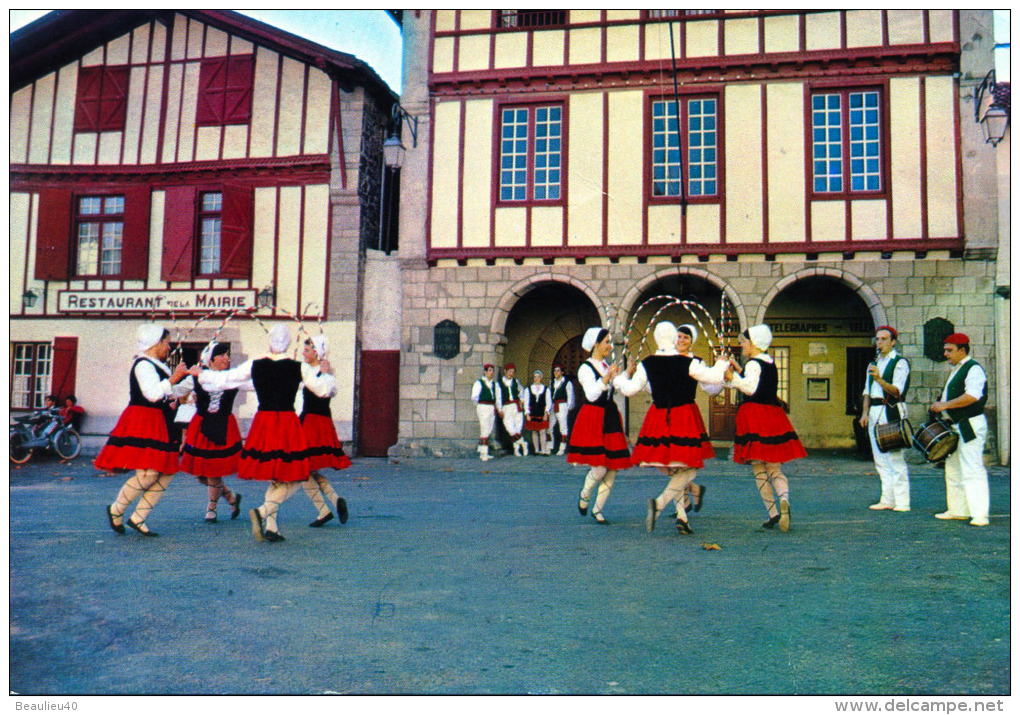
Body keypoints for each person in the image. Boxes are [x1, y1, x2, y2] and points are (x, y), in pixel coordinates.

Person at [615, 322, 727, 535]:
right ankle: (660, 504)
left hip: (659, 416)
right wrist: (721, 364)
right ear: (673, 338)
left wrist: (622, 376)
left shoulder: (647, 363)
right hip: (683, 416)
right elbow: (712, 378)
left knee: (675, 466)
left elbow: (629, 390)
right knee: (688, 467)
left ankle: (682, 517)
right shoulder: (689, 363)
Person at [234, 325, 335, 542]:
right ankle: (262, 511)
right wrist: (326, 375)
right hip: (287, 423)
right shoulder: (298, 367)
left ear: (270, 341)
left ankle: (272, 528)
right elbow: (325, 390)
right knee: (296, 475)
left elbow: (230, 380)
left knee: (276, 477)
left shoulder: (256, 364)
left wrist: (203, 375)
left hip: (264, 422)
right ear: (289, 343)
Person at [97, 325, 195, 537]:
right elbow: (152, 394)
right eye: (166, 343)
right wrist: (173, 379)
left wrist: (190, 379)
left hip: (161, 421)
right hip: (144, 420)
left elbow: (171, 392)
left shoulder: (159, 366)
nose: (168, 348)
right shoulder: (142, 365)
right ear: (156, 343)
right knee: (149, 472)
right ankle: (116, 509)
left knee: (167, 472)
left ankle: (138, 517)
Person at [724, 324, 807, 532]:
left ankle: (772, 513)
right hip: (772, 415)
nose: (741, 345)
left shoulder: (753, 364)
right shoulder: (769, 362)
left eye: (744, 341)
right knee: (775, 468)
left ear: (754, 343)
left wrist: (732, 378)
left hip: (754, 416)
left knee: (759, 468)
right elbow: (759, 383)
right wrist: (739, 370)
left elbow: (751, 389)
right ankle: (784, 499)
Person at [566, 327, 631, 524]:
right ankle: (585, 493)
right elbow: (592, 394)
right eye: (607, 342)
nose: (610, 346)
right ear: (596, 343)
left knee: (612, 468)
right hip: (594, 417)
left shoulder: (605, 364)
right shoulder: (585, 368)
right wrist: (606, 377)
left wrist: (628, 372)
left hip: (610, 416)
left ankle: (598, 509)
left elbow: (617, 386)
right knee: (600, 468)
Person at [179, 342, 249, 523]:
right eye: (223, 355)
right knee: (201, 475)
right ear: (211, 359)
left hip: (223, 425)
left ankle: (212, 507)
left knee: (213, 471)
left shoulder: (233, 377)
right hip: (202, 426)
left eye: (228, 355)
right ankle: (231, 498)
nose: (227, 358)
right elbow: (175, 390)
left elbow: (255, 385)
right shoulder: (196, 376)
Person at [930, 333, 990, 527]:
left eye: (950, 350)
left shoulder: (973, 369)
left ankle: (980, 514)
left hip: (969, 425)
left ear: (962, 350)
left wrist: (944, 405)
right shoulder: (958, 369)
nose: (945, 354)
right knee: (953, 468)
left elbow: (972, 396)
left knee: (972, 469)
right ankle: (958, 510)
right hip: (956, 426)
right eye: (945, 350)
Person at [298, 336, 351, 528]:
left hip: (312, 423)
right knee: (309, 469)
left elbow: (328, 391)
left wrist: (324, 374)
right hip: (316, 421)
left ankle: (324, 510)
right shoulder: (309, 371)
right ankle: (335, 500)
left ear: (316, 353)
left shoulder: (325, 375)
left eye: (307, 350)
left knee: (302, 470)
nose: (303, 353)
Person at [859, 325, 911, 512]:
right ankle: (887, 498)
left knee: (895, 457)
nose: (879, 343)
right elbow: (867, 391)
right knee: (880, 458)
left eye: (883, 339)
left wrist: (880, 379)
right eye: (877, 339)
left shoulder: (899, 363)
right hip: (874, 410)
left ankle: (902, 501)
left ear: (893, 341)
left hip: (891, 410)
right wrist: (865, 413)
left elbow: (897, 390)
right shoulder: (873, 364)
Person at [498, 363, 528, 456]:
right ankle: (523, 443)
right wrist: (499, 409)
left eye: (513, 372)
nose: (511, 374)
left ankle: (516, 450)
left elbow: (522, 391)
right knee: (510, 427)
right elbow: (498, 397)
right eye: (510, 371)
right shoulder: (499, 383)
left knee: (518, 427)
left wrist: (522, 400)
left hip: (516, 405)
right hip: (506, 407)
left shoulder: (516, 381)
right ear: (505, 371)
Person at [471, 364, 499, 461]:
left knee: (488, 428)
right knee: (484, 428)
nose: (492, 372)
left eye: (492, 371)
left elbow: (497, 397)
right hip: (483, 406)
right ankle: (484, 453)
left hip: (491, 407)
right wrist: (480, 404)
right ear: (485, 372)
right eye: (490, 370)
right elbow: (474, 396)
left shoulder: (494, 384)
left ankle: (483, 450)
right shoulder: (479, 383)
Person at [523, 370, 552, 456]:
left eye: (538, 377)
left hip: (541, 413)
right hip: (533, 412)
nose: (536, 379)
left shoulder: (546, 389)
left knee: (542, 431)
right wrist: (527, 413)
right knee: (534, 431)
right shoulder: (528, 389)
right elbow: (526, 401)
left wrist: (546, 413)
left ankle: (543, 450)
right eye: (535, 377)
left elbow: (548, 402)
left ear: (541, 378)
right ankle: (536, 450)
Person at [549, 364, 575, 456]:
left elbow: (570, 396)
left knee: (563, 427)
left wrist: (567, 408)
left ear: (562, 372)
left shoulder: (567, 382)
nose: (556, 372)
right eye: (555, 371)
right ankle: (550, 446)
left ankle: (562, 448)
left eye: (558, 371)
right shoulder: (552, 382)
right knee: (549, 426)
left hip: (562, 405)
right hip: (553, 405)